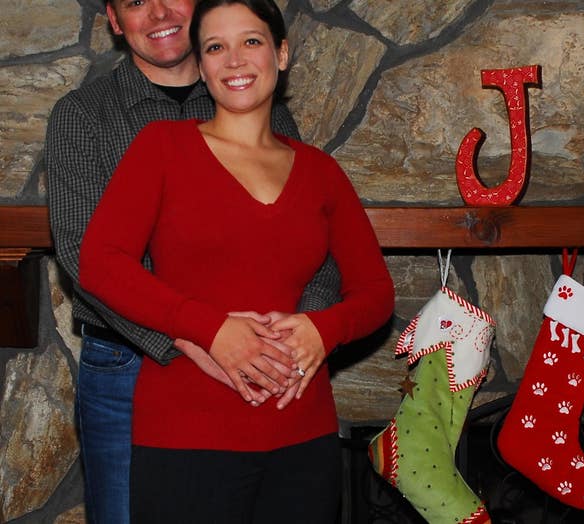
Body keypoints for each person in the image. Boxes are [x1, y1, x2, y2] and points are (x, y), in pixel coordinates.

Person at [78, 0, 395, 521]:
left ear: (282, 53)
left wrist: (323, 329)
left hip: (303, 433)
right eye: (215, 47)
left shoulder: (321, 171)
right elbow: (101, 263)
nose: (234, 60)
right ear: (201, 67)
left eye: (251, 41)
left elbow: (376, 292)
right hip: (185, 433)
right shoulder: (161, 147)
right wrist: (211, 328)